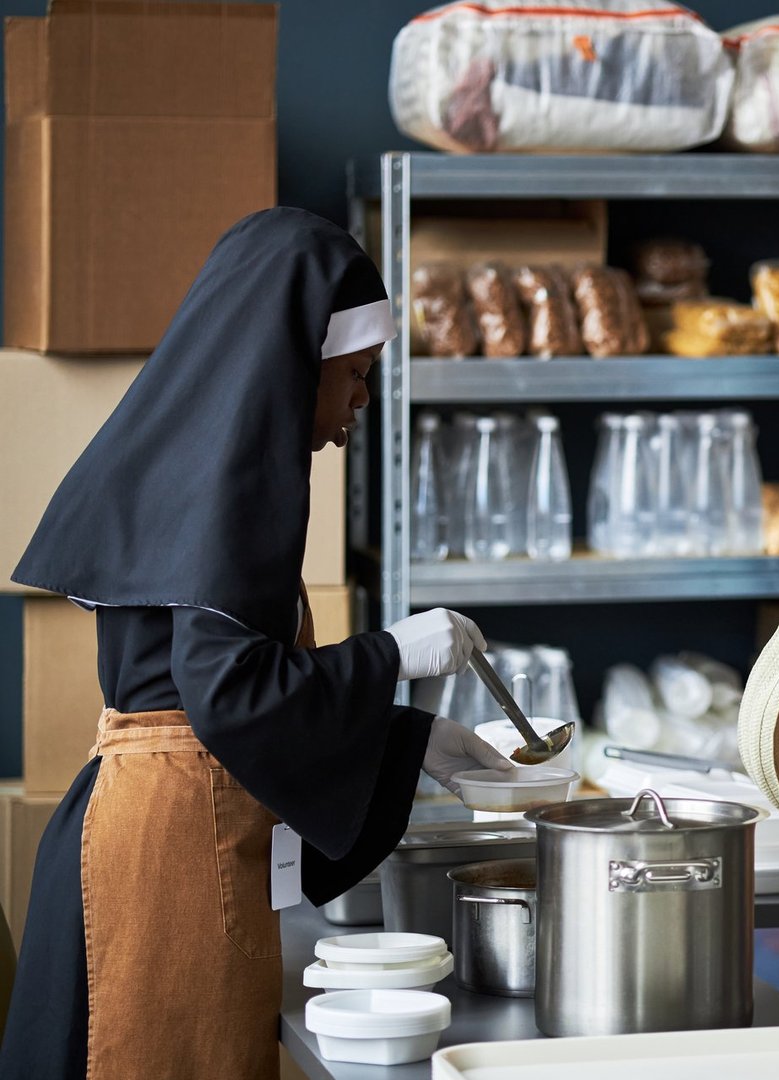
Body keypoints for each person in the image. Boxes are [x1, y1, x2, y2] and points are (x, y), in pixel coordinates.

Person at [0, 208, 512, 1079]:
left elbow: (206, 687)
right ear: (290, 361)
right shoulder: (228, 490)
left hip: (151, 822)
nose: (357, 405)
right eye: (353, 376)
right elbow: (232, 697)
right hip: (173, 860)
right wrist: (391, 655)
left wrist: (408, 738)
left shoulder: (184, 460)